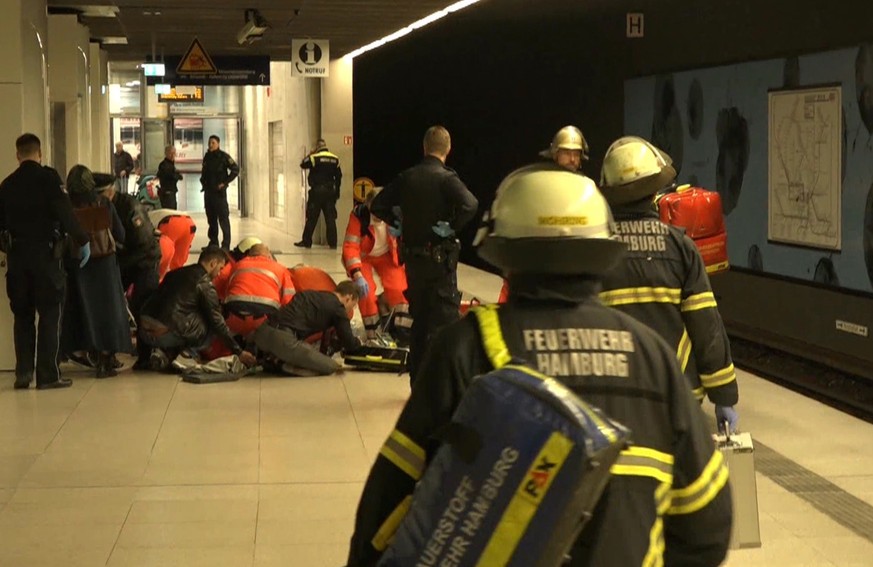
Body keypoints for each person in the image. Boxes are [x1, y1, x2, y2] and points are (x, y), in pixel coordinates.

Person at [346, 163, 732, 566]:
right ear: (602, 252)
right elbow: (708, 526)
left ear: (503, 254)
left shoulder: (467, 347)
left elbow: (388, 499)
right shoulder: (653, 356)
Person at [598, 135, 740, 431]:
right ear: (654, 191)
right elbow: (706, 327)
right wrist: (723, 395)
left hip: (614, 399)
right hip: (677, 396)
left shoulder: (594, 250)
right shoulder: (680, 248)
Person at [370, 125, 478, 384]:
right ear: (448, 149)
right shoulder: (446, 179)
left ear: (424, 147)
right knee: (442, 326)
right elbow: (470, 204)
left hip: (414, 266)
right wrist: (450, 226)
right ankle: (440, 386)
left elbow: (377, 204)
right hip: (440, 265)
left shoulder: (407, 177)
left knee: (419, 324)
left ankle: (417, 384)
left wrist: (397, 220)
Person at [0, 133, 90, 390]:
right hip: (46, 259)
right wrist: (83, 240)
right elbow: (66, 213)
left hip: (17, 260)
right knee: (50, 314)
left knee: (23, 316)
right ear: (40, 154)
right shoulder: (49, 179)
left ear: (18, 155)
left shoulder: (7, 185)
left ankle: (24, 374)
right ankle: (48, 374)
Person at [61, 166, 131, 378]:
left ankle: (83, 351)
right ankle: (105, 359)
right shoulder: (103, 203)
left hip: (78, 265)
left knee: (83, 310)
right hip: (105, 265)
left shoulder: (67, 206)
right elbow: (120, 233)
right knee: (108, 312)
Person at [138, 246, 256, 370]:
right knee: (212, 322)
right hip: (165, 334)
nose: (219, 273)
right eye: (220, 268)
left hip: (144, 332)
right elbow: (217, 322)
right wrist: (238, 351)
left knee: (187, 317)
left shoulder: (175, 273)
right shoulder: (205, 283)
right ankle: (187, 355)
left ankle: (164, 354)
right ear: (213, 263)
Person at [342, 188, 411, 343]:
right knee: (365, 294)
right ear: (368, 205)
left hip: (387, 255)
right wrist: (357, 274)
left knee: (400, 289)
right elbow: (350, 247)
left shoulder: (396, 213)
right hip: (363, 257)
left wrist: (402, 232)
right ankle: (374, 336)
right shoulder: (358, 217)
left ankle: (403, 333)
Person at [253, 281, 360, 376]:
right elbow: (348, 342)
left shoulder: (310, 294)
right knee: (330, 366)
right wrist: (359, 344)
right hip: (283, 339)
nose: (351, 309)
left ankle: (274, 357)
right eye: (353, 305)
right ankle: (280, 364)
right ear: (348, 298)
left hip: (262, 332)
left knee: (302, 350)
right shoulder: (338, 308)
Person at [224, 243, 296, 337]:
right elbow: (288, 299)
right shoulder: (280, 268)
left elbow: (227, 292)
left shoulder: (238, 265)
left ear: (248, 255)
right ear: (269, 256)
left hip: (234, 316)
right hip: (264, 319)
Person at [295, 138, 342, 249]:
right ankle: (333, 243)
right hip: (330, 192)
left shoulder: (314, 157)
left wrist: (311, 153)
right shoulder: (335, 159)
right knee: (330, 218)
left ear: (317, 147)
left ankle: (307, 241)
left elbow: (303, 164)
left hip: (317, 192)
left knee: (312, 217)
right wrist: (337, 193)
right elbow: (339, 177)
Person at [200, 135, 239, 249]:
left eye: (213, 143)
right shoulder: (207, 157)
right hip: (208, 193)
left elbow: (235, 169)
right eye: (209, 143)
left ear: (218, 144)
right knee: (211, 219)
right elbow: (204, 173)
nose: (210, 145)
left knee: (223, 219)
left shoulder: (224, 156)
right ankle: (213, 243)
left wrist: (225, 182)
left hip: (219, 194)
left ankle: (225, 245)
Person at [148, 208, 197, 280]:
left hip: (171, 223)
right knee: (178, 264)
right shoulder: (152, 214)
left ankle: (160, 283)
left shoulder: (144, 218)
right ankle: (176, 283)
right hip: (190, 223)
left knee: (163, 259)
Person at [156, 145, 183, 209]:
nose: (173, 155)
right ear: (166, 153)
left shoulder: (171, 164)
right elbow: (169, 175)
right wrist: (177, 175)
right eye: (171, 153)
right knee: (170, 212)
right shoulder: (164, 165)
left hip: (171, 192)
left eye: (174, 153)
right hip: (167, 193)